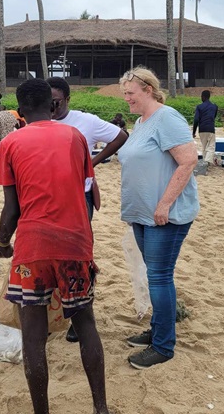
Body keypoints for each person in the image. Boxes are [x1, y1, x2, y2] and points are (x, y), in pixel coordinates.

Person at [0, 79, 109, 414]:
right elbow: (81, 185)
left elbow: (11, 210)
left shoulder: (10, 143)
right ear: (54, 105)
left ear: (19, 110)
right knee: (85, 323)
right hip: (75, 241)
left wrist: (3, 241)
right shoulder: (75, 137)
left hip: (34, 247)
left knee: (33, 336)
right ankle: (100, 407)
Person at [118, 67, 199, 370]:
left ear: (148, 90)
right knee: (154, 274)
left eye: (131, 93)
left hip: (165, 215)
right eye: (124, 94)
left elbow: (189, 160)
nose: (127, 99)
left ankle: (163, 346)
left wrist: (164, 204)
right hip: (142, 214)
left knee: (159, 276)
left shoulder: (167, 118)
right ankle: (157, 329)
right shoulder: (141, 122)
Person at [47, 76, 128, 344]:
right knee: (49, 258)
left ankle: (79, 317)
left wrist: (92, 162)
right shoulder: (38, 119)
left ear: (68, 100)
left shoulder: (86, 121)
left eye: (56, 102)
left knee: (79, 257)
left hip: (79, 199)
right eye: (47, 102)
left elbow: (120, 136)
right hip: (46, 198)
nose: (51, 107)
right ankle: (54, 315)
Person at [192, 89, 218, 164]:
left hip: (202, 129)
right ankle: (207, 162)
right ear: (209, 97)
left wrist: (193, 132)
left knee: (204, 147)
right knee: (211, 147)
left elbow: (196, 119)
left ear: (203, 97)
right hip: (210, 129)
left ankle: (204, 162)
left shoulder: (199, 107)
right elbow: (214, 117)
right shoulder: (214, 107)